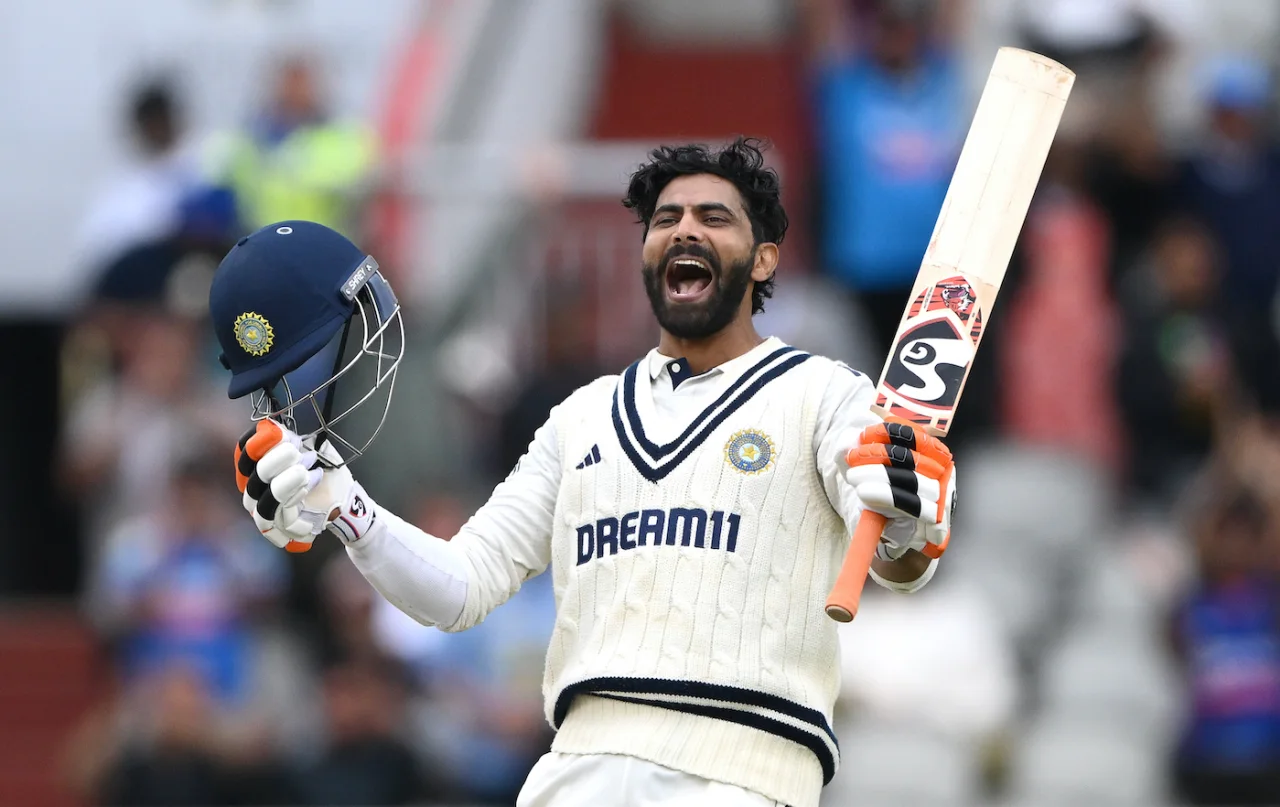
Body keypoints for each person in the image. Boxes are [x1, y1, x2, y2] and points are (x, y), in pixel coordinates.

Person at [205, 138, 958, 807]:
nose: (686, 229)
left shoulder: (824, 394)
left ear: (764, 257)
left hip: (745, 769)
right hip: (576, 767)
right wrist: (342, 501)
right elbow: (459, 588)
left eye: (715, 217)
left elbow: (897, 552)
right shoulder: (582, 418)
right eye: (666, 219)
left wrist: (912, 514)